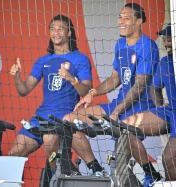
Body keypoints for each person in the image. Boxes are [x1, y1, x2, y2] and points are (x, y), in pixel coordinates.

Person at [64, 3, 163, 186]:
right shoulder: (120, 44)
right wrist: (92, 93)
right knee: (69, 120)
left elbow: (139, 86)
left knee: (123, 137)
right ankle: (96, 169)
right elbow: (115, 78)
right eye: (120, 17)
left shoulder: (147, 46)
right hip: (118, 104)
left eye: (127, 17)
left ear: (139, 21)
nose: (121, 21)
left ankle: (152, 175)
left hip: (141, 106)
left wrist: (117, 111)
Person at [8, 14, 104, 175]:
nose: (56, 32)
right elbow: (24, 90)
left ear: (69, 33)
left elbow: (86, 91)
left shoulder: (80, 59)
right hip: (41, 117)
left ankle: (63, 177)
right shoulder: (43, 60)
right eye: (52, 29)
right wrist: (17, 77)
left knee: (50, 139)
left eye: (60, 29)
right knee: (12, 155)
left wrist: (72, 79)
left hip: (65, 117)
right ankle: (63, 175)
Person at [150, 24, 176, 181]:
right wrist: (161, 110)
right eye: (165, 39)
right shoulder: (165, 61)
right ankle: (149, 175)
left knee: (169, 159)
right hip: (172, 114)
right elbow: (154, 88)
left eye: (170, 39)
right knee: (169, 160)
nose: (166, 43)